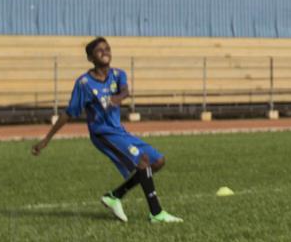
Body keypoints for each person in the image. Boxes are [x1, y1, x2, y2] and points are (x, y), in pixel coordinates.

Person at [32, 37, 183, 224]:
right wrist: (46, 139)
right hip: (103, 133)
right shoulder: (84, 84)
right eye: (99, 50)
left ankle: (115, 196)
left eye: (107, 48)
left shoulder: (118, 74)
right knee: (143, 161)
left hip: (119, 131)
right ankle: (156, 213)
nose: (105, 52)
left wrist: (118, 98)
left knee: (158, 161)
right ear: (90, 58)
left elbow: (126, 91)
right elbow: (69, 113)